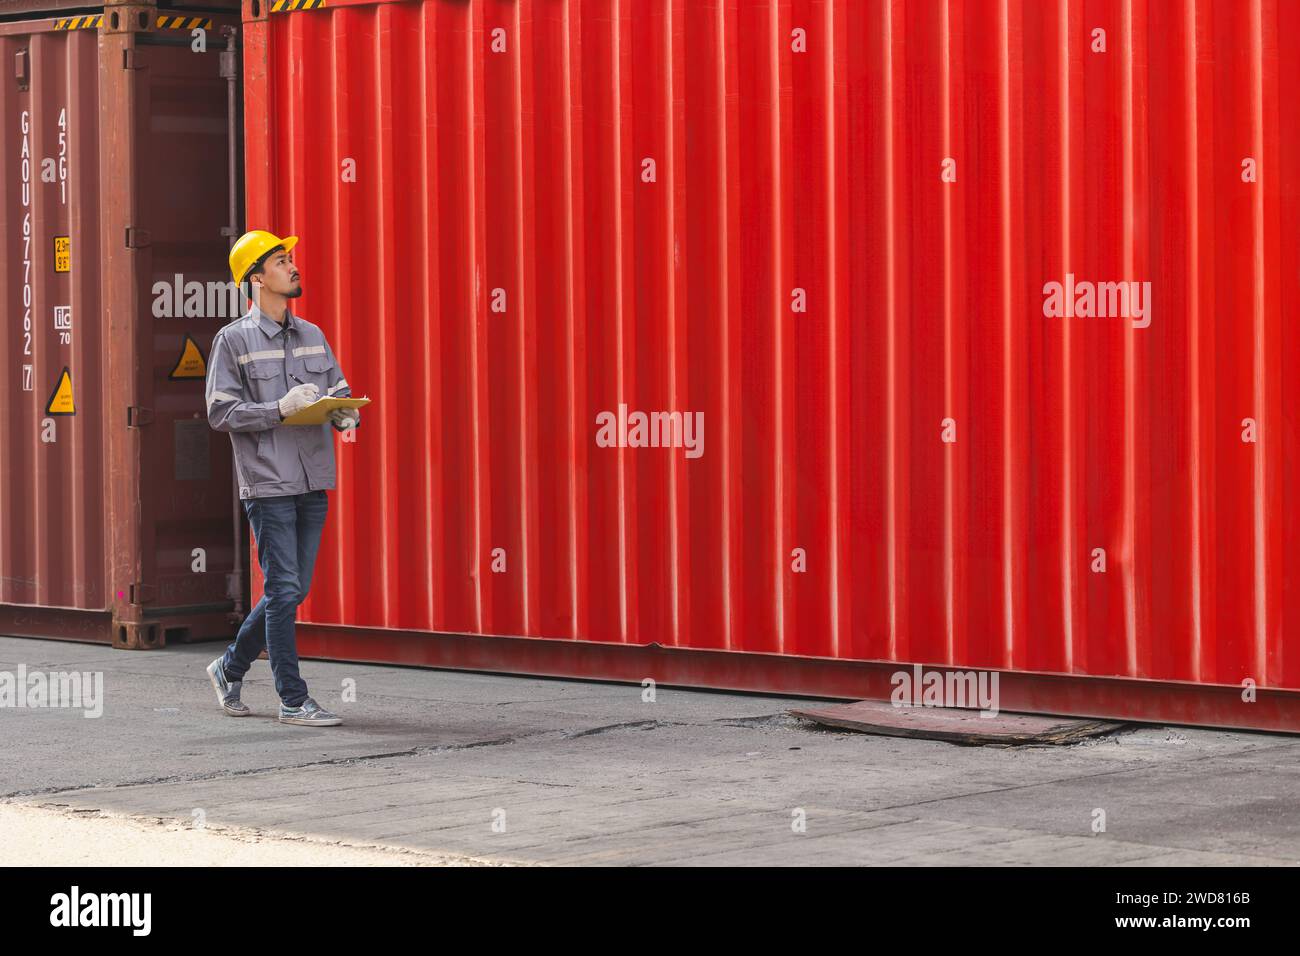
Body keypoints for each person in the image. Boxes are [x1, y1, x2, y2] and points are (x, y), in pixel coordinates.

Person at [202, 230, 360, 727]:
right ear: (256, 278)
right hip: (268, 481)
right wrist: (277, 408)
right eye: (280, 260)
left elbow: (338, 386)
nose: (293, 266)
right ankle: (293, 698)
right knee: (286, 587)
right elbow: (220, 412)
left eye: (291, 257)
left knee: (289, 590)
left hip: (312, 477)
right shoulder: (233, 341)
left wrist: (345, 413)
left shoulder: (313, 333)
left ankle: (229, 668)